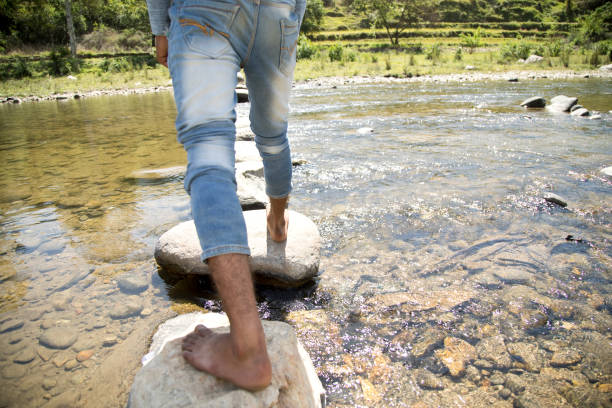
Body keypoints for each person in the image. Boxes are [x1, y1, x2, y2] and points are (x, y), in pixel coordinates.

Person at [146, 0, 306, 391]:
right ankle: (277, 222)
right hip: (278, 11)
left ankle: (248, 350)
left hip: (204, 10)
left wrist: (159, 26)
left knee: (208, 152)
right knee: (272, 135)